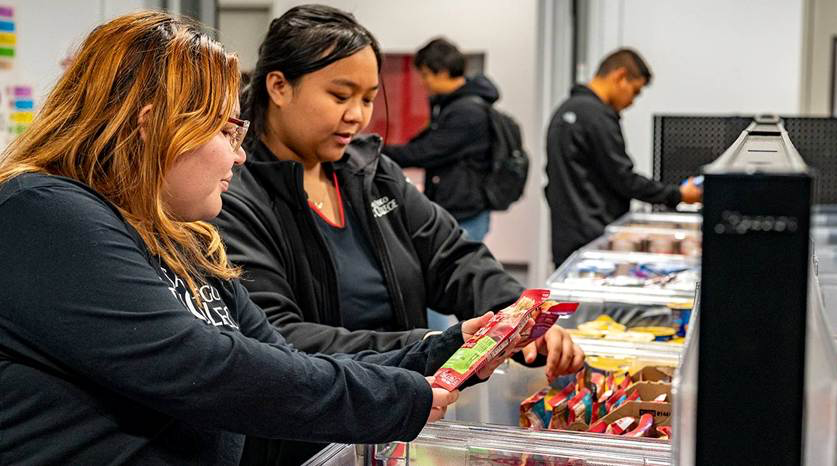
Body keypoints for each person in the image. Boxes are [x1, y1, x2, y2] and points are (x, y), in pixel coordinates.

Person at [0, 11, 524, 465]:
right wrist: (397, 397)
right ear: (150, 126)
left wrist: (447, 351)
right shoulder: (43, 213)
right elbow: (210, 370)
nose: (239, 155)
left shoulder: (180, 237)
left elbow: (278, 356)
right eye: (225, 132)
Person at [214, 5, 584, 463]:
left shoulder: (370, 172)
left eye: (368, 98)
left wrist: (517, 316)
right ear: (278, 86)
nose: (357, 116)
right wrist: (429, 348)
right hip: (306, 442)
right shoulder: (232, 194)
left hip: (394, 423)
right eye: (340, 95)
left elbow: (452, 256)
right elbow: (280, 338)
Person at [545, 48, 702, 267]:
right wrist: (677, 195)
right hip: (594, 240)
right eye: (635, 91)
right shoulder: (596, 116)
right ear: (620, 77)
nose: (632, 102)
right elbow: (623, 178)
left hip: (566, 237)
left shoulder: (564, 111)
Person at [382, 37, 497, 242]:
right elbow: (424, 142)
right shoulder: (451, 105)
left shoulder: (467, 112)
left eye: (426, 75)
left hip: (464, 211)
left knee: (458, 271)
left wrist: (378, 151)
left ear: (443, 72)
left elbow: (428, 151)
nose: (423, 82)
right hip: (454, 206)